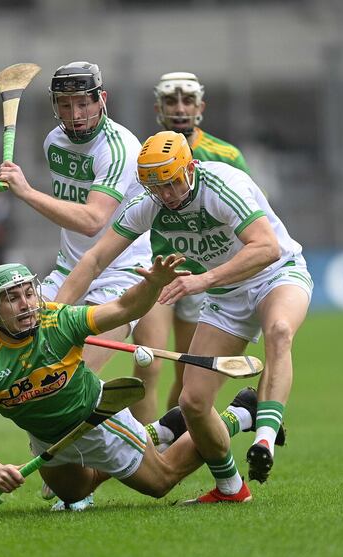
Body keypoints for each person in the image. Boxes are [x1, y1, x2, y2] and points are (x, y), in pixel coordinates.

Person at [56, 131, 312, 500]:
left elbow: (267, 248)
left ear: (190, 169)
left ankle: (265, 439)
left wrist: (203, 279)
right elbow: (94, 259)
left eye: (173, 183)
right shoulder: (148, 203)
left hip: (277, 275)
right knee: (192, 403)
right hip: (226, 297)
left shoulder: (221, 185)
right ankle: (231, 488)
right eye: (157, 187)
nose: (168, 195)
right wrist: (59, 314)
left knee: (280, 330)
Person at [0, 257, 268, 508]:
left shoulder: (58, 321)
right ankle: (162, 430)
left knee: (161, 483)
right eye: (12, 298)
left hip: (97, 419)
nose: (25, 304)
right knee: (75, 494)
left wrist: (153, 285)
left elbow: (123, 308)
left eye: (28, 293)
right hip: (49, 441)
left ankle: (236, 416)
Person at [0, 61, 165, 425]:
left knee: (69, 376)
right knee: (36, 367)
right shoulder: (53, 142)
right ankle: (63, 463)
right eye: (65, 105)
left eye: (83, 103)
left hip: (120, 275)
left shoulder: (119, 148)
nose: (75, 114)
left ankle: (132, 449)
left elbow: (92, 221)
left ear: (101, 100)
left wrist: (25, 192)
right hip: (70, 271)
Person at [150, 71, 251, 410]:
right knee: (150, 363)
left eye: (187, 100)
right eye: (170, 101)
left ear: (200, 107)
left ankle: (168, 437)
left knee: (186, 371)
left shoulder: (226, 155)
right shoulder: (146, 155)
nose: (179, 108)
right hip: (158, 269)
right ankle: (140, 453)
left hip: (204, 276)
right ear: (158, 109)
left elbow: (252, 217)